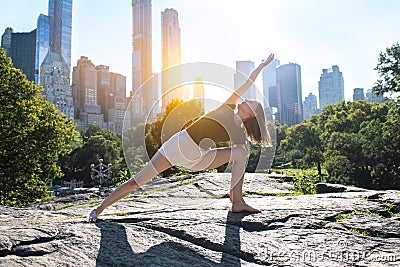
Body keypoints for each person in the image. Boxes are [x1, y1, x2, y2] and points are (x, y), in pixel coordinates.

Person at [88, 53, 275, 222]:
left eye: (251, 102)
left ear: (252, 113)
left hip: (198, 158)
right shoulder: (228, 106)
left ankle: (237, 201)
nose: (247, 100)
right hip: (177, 146)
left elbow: (238, 159)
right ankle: (99, 209)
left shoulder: (239, 134)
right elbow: (248, 82)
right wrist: (261, 66)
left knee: (242, 153)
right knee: (136, 182)